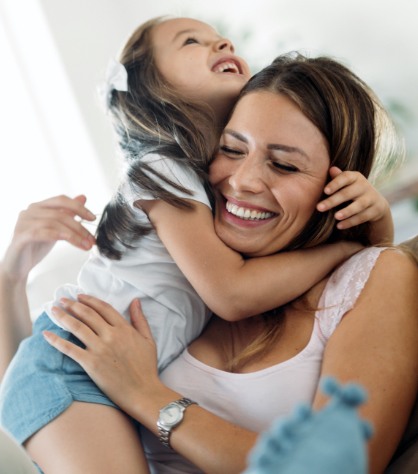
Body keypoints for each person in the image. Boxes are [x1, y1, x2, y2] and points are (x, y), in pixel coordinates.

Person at [2, 50, 417, 474]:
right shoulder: (190, 274)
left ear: (342, 186)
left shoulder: (375, 277)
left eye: (284, 164)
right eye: (232, 149)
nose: (242, 181)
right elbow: (40, 398)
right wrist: (10, 278)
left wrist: (147, 395)